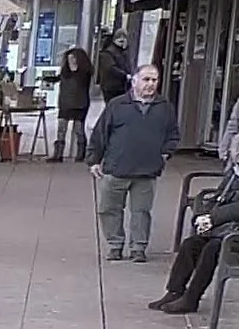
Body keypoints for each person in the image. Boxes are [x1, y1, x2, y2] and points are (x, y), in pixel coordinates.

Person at [149, 131, 239, 315]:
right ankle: (174, 291)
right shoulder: (236, 173)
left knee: (213, 247)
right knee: (192, 243)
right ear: (237, 157)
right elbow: (218, 198)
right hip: (236, 228)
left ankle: (192, 299)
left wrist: (214, 218)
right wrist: (202, 216)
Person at [87, 63, 179, 262]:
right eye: (146, 79)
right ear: (134, 80)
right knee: (109, 209)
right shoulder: (117, 105)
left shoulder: (164, 107)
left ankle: (138, 247)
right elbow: (100, 133)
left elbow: (173, 134)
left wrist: (164, 154)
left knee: (141, 212)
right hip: (116, 168)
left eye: (154, 80)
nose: (151, 84)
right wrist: (94, 159)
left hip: (147, 171)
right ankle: (115, 244)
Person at [49, 46, 94, 163]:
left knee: (79, 129)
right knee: (61, 128)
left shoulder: (84, 73)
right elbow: (58, 79)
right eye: (69, 60)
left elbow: (85, 79)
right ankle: (58, 154)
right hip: (66, 103)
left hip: (80, 103)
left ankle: (81, 154)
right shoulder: (65, 72)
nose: (71, 62)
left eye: (73, 59)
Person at [97, 29, 132, 102]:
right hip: (112, 87)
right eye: (121, 41)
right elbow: (110, 68)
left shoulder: (119, 52)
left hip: (117, 86)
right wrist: (125, 75)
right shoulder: (109, 52)